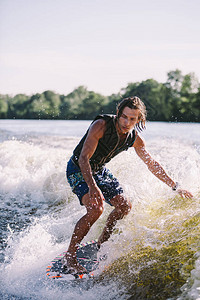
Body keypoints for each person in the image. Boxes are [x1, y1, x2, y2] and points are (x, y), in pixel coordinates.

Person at [64, 96, 193, 274]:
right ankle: (70, 256)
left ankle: (101, 245)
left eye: (133, 119)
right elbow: (84, 158)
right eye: (124, 117)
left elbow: (151, 164)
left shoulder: (134, 138)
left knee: (124, 206)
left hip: (99, 170)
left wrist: (175, 186)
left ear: (139, 119)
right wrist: (93, 187)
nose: (127, 122)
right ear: (118, 113)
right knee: (96, 209)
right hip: (78, 168)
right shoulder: (100, 126)